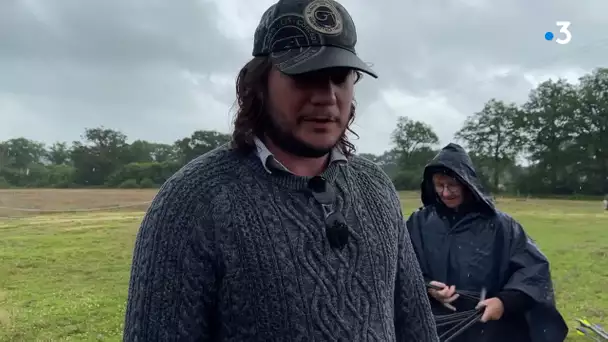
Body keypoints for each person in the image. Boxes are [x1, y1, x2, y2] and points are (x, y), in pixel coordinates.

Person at [122, 0, 439, 341]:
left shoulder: (377, 189)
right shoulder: (193, 201)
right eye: (307, 77)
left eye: (339, 77)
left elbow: (417, 327)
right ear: (258, 85)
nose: (327, 97)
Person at [406, 143, 569, 342]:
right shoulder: (418, 223)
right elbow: (401, 268)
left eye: (452, 185)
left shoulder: (502, 226)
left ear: (467, 183)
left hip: (490, 331)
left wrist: (503, 302)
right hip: (436, 328)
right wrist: (428, 287)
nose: (446, 193)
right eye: (440, 185)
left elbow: (534, 272)